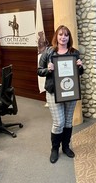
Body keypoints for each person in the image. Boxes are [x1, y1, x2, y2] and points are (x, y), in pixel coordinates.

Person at [37, 25, 84, 163]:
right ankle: (54, 149)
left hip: (70, 92)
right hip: (53, 92)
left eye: (66, 35)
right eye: (61, 34)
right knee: (59, 123)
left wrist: (80, 67)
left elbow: (79, 73)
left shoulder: (74, 52)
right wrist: (48, 69)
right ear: (56, 36)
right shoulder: (48, 52)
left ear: (69, 38)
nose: (63, 37)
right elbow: (39, 70)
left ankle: (66, 147)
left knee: (68, 121)